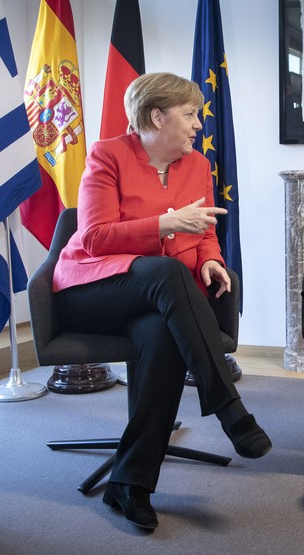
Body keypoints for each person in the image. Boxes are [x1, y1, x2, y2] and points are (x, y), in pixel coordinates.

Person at [52, 73, 272, 530]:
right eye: (190, 115)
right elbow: (93, 238)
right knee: (169, 272)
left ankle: (130, 485)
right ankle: (228, 407)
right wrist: (166, 223)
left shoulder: (197, 165)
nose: (198, 125)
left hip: (156, 299)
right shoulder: (107, 155)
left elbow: (207, 229)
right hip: (94, 289)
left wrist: (211, 259)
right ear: (157, 116)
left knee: (163, 335)